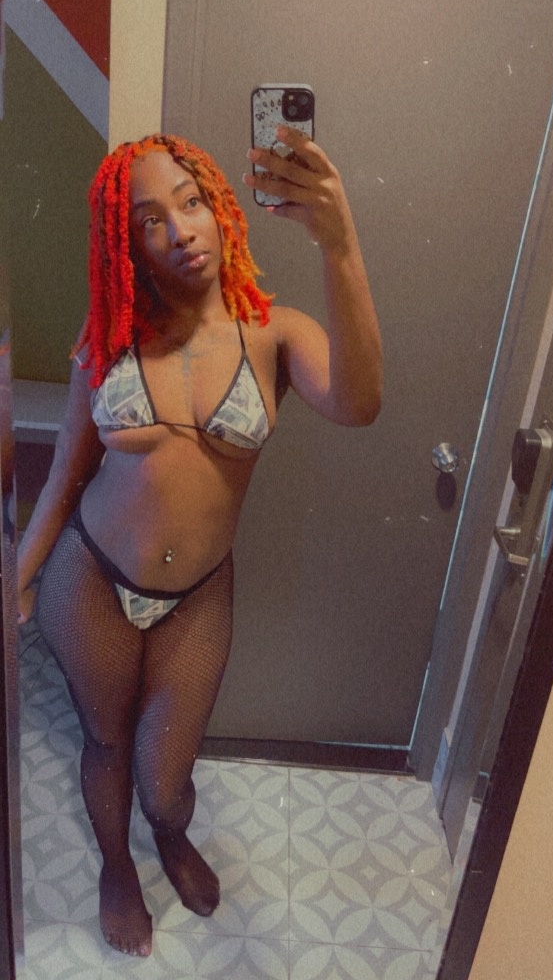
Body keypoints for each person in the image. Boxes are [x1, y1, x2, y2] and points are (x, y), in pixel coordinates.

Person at [17, 127, 382, 957]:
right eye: (149, 219)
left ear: (220, 208)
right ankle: (118, 867)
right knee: (105, 742)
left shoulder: (276, 332)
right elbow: (67, 474)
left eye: (189, 204)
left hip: (197, 596)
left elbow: (360, 403)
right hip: (90, 578)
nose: (178, 230)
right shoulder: (109, 330)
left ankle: (168, 833)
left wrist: (339, 244)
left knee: (165, 777)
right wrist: (17, 583)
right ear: (127, 243)